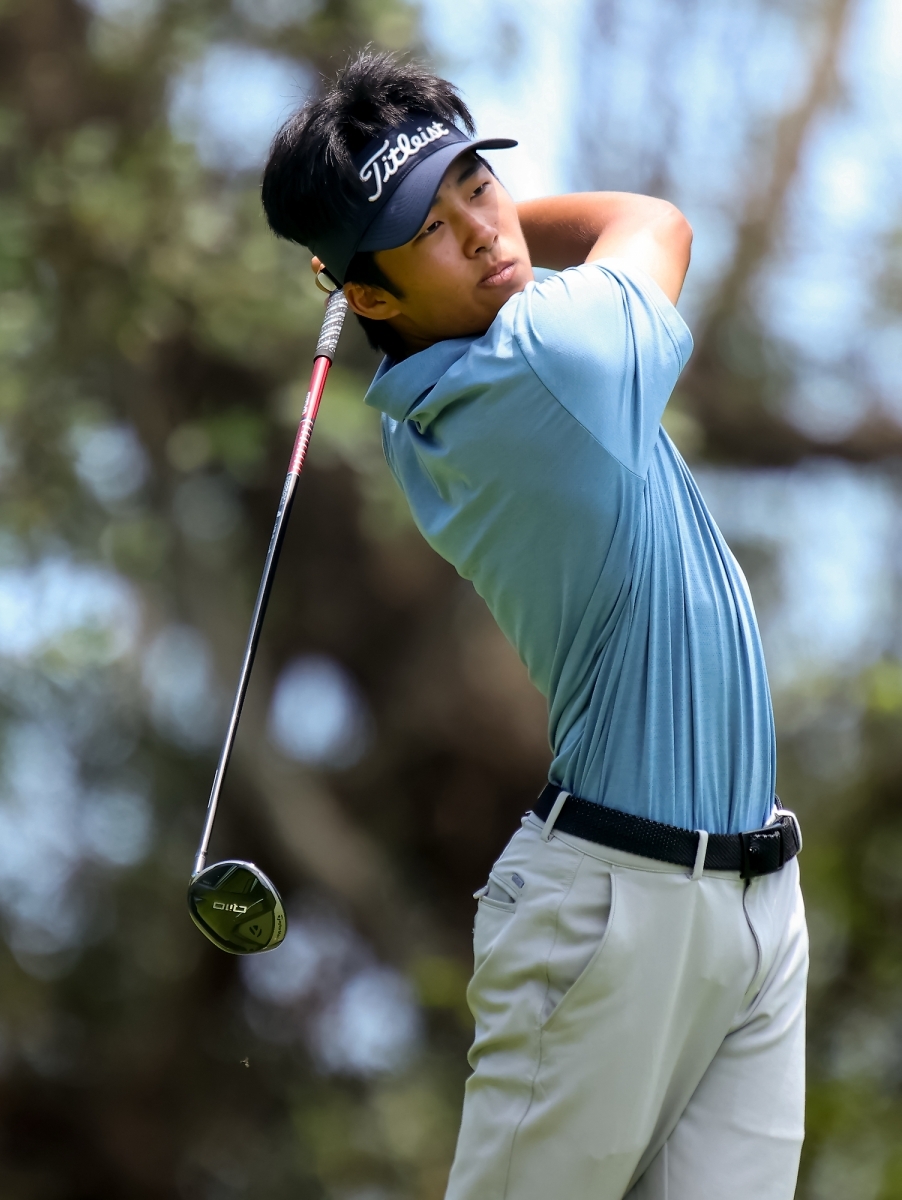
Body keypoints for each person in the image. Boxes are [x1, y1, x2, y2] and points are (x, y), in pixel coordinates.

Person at [261, 51, 808, 1200]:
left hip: (757, 897)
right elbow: (651, 222)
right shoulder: (545, 364)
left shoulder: (442, 385)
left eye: (478, 183)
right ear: (368, 297)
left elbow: (541, 248)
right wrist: (502, 225)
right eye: (430, 228)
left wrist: (434, 223)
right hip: (612, 914)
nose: (481, 230)